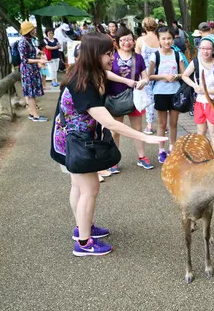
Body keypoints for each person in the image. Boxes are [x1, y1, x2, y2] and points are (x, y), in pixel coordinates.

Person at [50, 33, 166, 256]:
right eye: (108, 53)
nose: (112, 57)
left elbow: (108, 74)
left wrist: (127, 81)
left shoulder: (84, 72)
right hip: (76, 143)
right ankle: (84, 243)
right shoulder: (82, 84)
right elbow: (109, 122)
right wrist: (145, 138)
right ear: (95, 55)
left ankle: (81, 228)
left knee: (78, 186)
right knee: (90, 188)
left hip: (68, 141)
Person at [107, 27, 153, 173]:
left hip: (134, 98)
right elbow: (106, 73)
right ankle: (113, 160)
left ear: (133, 40)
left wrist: (143, 82)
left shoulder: (138, 57)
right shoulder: (112, 56)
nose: (126, 42)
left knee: (138, 130)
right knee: (115, 131)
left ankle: (142, 157)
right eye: (123, 40)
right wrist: (125, 81)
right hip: (115, 97)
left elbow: (146, 76)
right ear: (117, 42)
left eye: (129, 39)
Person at [149, 26, 186, 164]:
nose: (167, 41)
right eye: (163, 39)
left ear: (173, 39)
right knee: (162, 124)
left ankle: (172, 148)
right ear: (158, 40)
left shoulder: (177, 55)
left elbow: (184, 74)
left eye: (169, 38)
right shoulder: (155, 55)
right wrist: (163, 76)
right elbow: (149, 76)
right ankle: (161, 150)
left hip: (175, 93)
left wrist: (175, 76)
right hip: (160, 93)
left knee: (174, 123)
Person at [182, 36, 214, 155]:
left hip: (213, 103)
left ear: (213, 50)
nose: (205, 51)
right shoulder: (195, 62)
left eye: (208, 49)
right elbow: (185, 76)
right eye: (203, 48)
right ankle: (200, 154)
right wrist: (194, 86)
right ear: (199, 49)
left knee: (213, 132)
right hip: (199, 103)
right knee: (200, 131)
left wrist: (204, 90)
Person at [18, 21, 48, 122]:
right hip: (28, 71)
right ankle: (36, 116)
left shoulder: (29, 40)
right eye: (33, 29)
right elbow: (24, 59)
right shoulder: (23, 42)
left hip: (32, 70)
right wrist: (39, 60)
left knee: (32, 93)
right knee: (30, 94)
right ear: (29, 31)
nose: (35, 31)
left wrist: (39, 56)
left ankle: (32, 113)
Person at [135, 17, 160, 135]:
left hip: (145, 73)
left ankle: (149, 125)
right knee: (160, 97)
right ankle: (163, 125)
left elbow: (136, 57)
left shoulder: (140, 40)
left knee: (149, 99)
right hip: (160, 72)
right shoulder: (161, 39)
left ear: (144, 26)